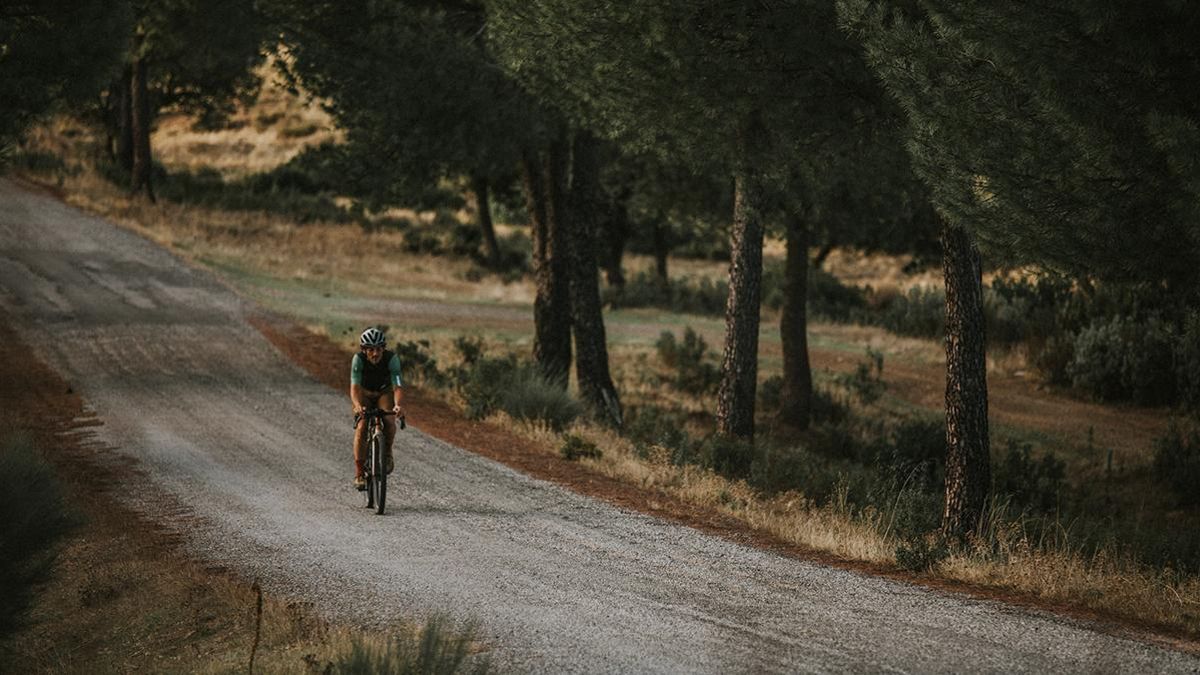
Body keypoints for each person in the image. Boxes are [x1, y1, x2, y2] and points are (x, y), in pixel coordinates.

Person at [350, 327, 405, 490]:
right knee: (362, 426)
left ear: (383, 348)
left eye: (379, 349)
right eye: (371, 350)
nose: (375, 353)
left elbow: (398, 386)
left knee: (389, 420)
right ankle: (359, 473)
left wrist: (398, 405)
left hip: (383, 392)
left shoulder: (391, 359)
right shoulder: (358, 360)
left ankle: (386, 453)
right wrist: (358, 406)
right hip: (364, 393)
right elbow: (354, 387)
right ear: (364, 350)